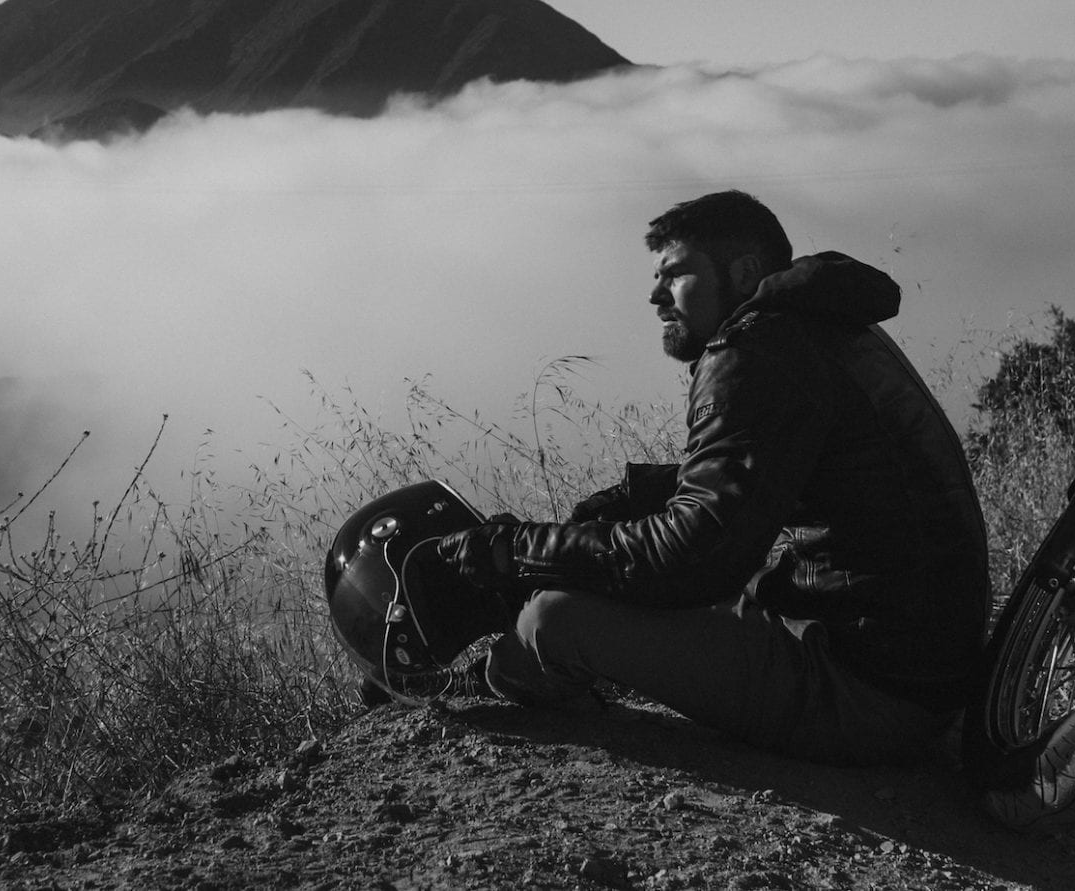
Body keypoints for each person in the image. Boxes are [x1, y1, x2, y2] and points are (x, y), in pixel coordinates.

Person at [412, 189, 988, 764]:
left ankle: (485, 686)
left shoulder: (753, 349)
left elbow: (692, 559)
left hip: (867, 694)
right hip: (919, 671)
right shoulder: (821, 324)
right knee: (607, 560)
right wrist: (631, 498)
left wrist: (512, 552)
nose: (655, 295)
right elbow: (775, 461)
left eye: (675, 274)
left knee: (554, 618)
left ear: (742, 271)